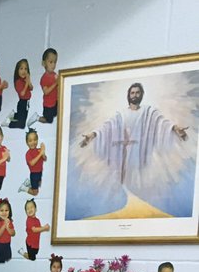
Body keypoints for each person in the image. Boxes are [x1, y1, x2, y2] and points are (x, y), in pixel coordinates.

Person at [78, 82, 190, 214]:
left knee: (140, 186)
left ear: (141, 95)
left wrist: (175, 128)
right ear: (128, 95)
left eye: (137, 93)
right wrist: (93, 134)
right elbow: (107, 127)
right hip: (123, 153)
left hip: (140, 155)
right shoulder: (121, 114)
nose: (135, 95)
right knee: (123, 182)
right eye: (132, 93)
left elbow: (162, 122)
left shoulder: (148, 112)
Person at [8, 58, 33, 130]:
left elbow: (31, 88)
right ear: (17, 71)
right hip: (22, 103)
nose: (24, 71)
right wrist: (26, 84)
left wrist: (29, 81)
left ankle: (13, 117)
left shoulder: (25, 80)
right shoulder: (18, 82)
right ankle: (9, 122)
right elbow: (22, 93)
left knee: (22, 121)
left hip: (27, 103)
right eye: (21, 68)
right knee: (21, 124)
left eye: (26, 69)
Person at [23, 129, 47, 196]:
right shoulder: (28, 154)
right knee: (35, 193)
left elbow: (45, 159)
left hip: (40, 172)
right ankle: (24, 188)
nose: (33, 142)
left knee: (39, 185)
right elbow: (32, 163)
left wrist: (43, 152)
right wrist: (40, 154)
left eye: (35, 140)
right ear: (27, 142)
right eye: (30, 141)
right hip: (34, 175)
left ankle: (29, 183)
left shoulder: (39, 150)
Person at [39, 47, 59, 124]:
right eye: (51, 62)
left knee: (56, 114)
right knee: (48, 120)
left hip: (55, 101)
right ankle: (37, 118)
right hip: (48, 105)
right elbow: (46, 92)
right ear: (44, 63)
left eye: (55, 62)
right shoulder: (44, 78)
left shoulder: (55, 75)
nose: (53, 65)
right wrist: (56, 83)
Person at [0, 198, 14, 264]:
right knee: (0, 261)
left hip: (7, 244)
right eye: (1, 210)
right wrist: (4, 225)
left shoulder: (9, 222)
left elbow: (13, 233)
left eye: (6, 210)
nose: (4, 213)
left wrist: (8, 227)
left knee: (8, 258)